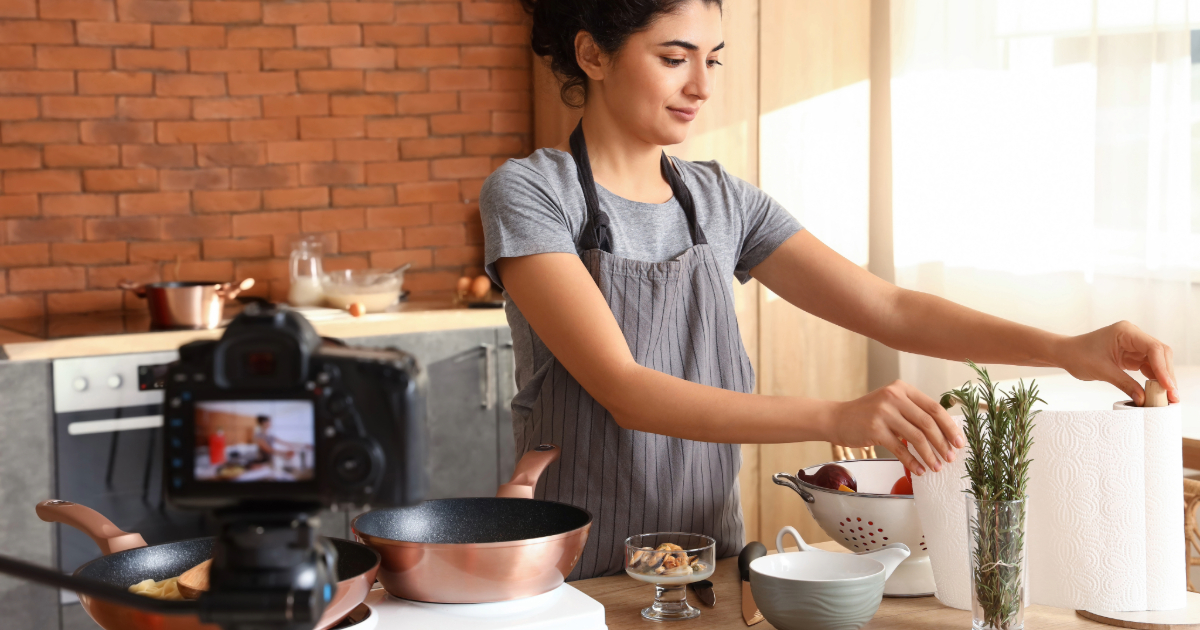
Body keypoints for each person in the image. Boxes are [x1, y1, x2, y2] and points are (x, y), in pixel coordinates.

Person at [480, 0, 1180, 580]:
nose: (702, 85)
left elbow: (891, 309)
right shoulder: (533, 193)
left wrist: (1064, 347)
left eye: (713, 58)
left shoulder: (723, 201)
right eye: (674, 58)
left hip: (707, 559)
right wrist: (838, 415)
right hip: (572, 566)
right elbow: (625, 389)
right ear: (593, 56)